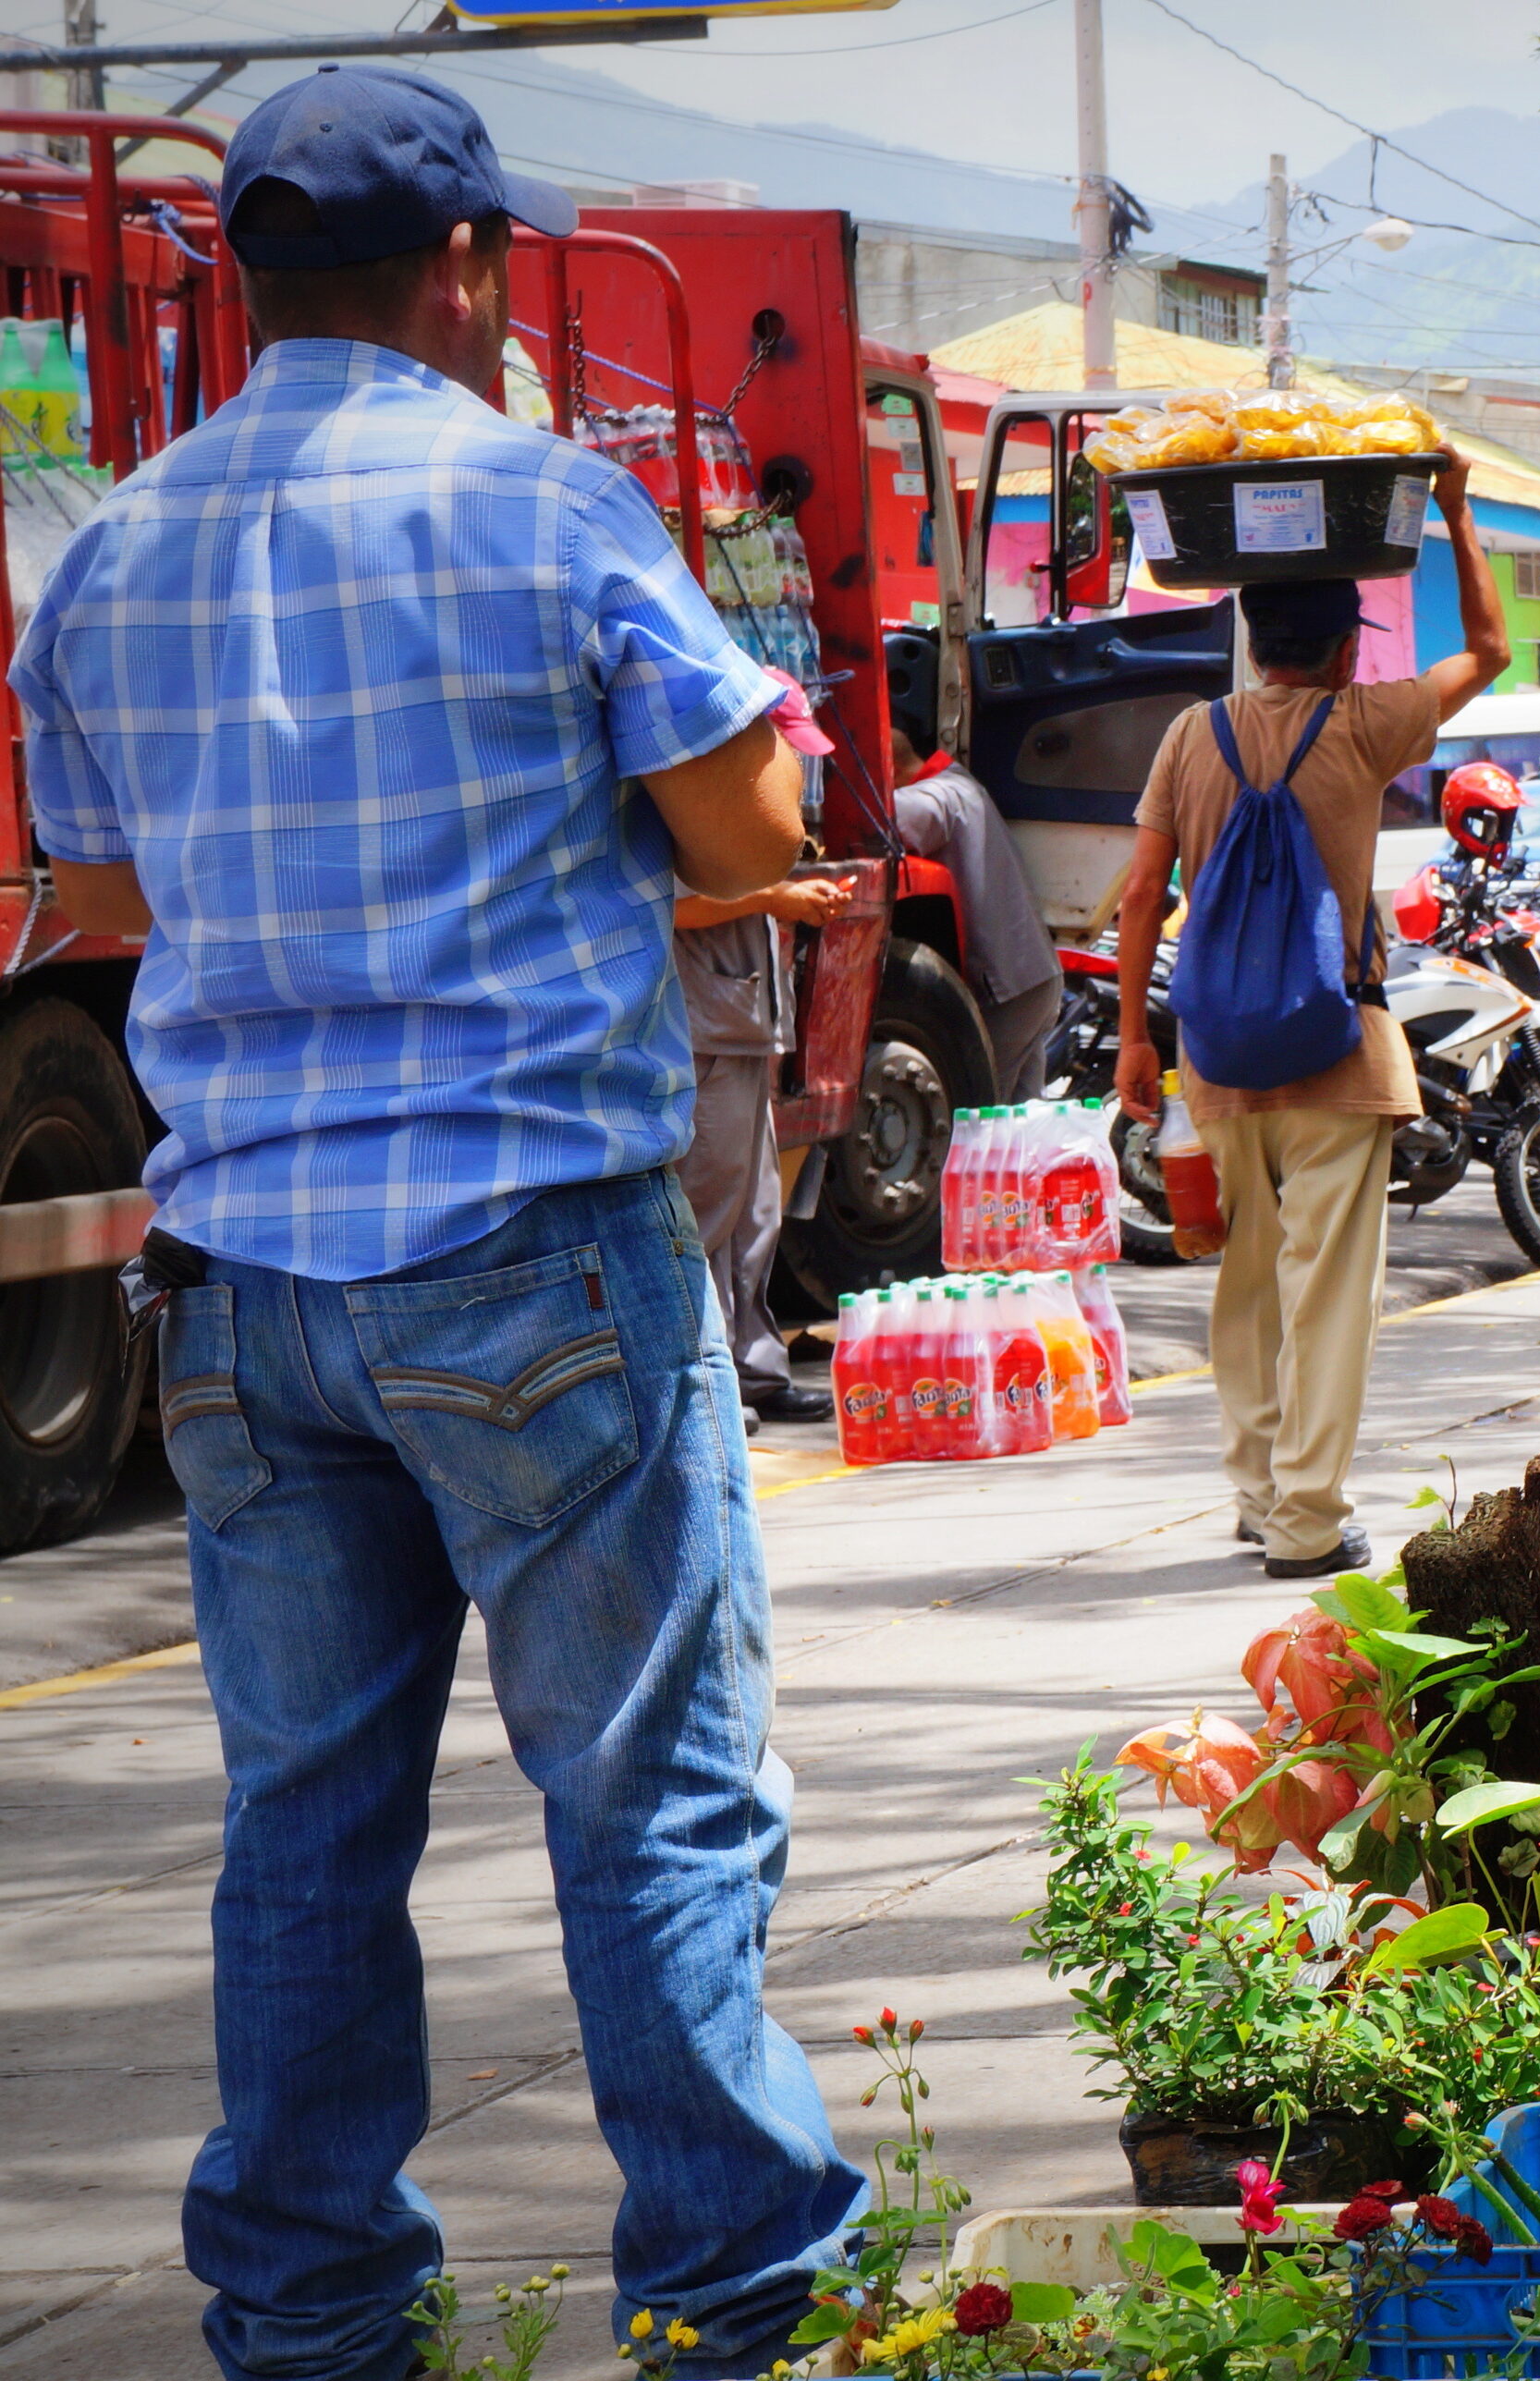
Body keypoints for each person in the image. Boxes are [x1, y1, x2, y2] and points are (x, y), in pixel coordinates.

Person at [8, 66, 864, 2380]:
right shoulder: (551, 504)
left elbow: (96, 891)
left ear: (245, 282)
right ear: (473, 271)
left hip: (247, 1289)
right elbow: (737, 822)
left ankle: (305, 2321)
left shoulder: (117, 539)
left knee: (305, 1826)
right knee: (652, 1800)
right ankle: (738, 2304)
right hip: (530, 1262)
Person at [1113, 458, 1509, 1579]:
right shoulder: (1366, 723)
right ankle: (1304, 1516)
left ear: (1248, 641)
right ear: (1346, 646)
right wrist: (1457, 511)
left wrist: (1142, 1041)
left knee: (1244, 1270)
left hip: (1220, 1053)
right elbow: (1487, 652)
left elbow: (1143, 891)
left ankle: (1254, 1488)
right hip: (1339, 1046)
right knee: (1326, 1285)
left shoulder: (1191, 736)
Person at [676, 868, 852, 1428]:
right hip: (705, 1028)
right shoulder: (680, 804)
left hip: (738, 1021)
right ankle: (708, 1384)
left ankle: (755, 1372)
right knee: (708, 1213)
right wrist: (777, 895)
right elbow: (680, 904)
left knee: (755, 1214)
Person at [891, 715, 1065, 1102]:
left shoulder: (937, 796)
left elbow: (879, 823)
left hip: (1009, 988)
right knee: (1019, 1124)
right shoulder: (961, 784)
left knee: (978, 1119)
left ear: (888, 767)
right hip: (1034, 978)